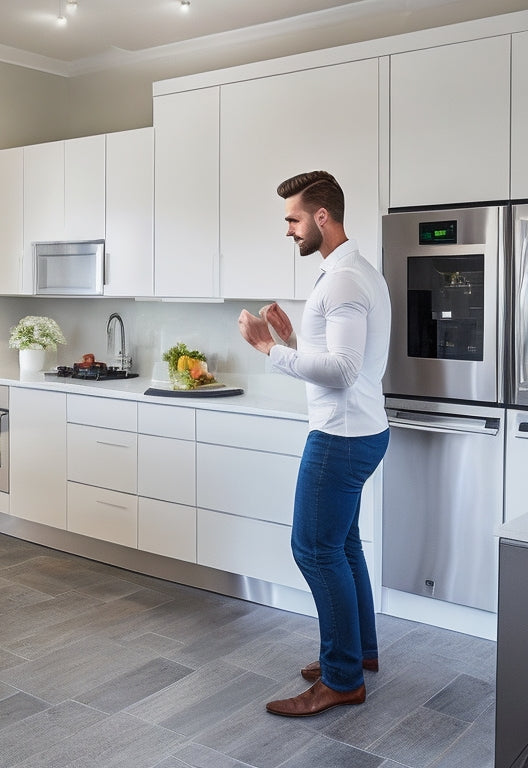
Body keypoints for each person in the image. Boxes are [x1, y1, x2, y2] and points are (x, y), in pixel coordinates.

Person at [237, 170, 391, 717]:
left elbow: (344, 370)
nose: (289, 230)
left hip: (340, 438)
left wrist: (265, 349)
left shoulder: (344, 281)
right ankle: (360, 653)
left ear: (322, 217)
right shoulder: (354, 273)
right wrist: (292, 341)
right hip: (363, 430)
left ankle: (342, 677)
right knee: (342, 548)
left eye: (293, 219)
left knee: (313, 550)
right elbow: (339, 356)